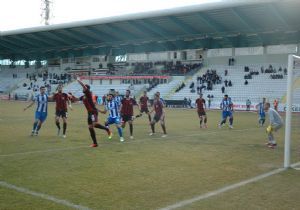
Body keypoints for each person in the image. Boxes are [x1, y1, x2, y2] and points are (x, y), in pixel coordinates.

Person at [74, 79, 112, 147]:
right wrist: (71, 96)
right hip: (89, 113)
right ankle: (95, 143)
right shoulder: (83, 96)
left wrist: (78, 80)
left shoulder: (88, 93)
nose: (83, 89)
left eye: (84, 88)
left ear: (87, 89)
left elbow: (83, 86)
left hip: (93, 112)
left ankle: (107, 129)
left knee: (94, 124)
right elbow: (76, 99)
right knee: (90, 127)